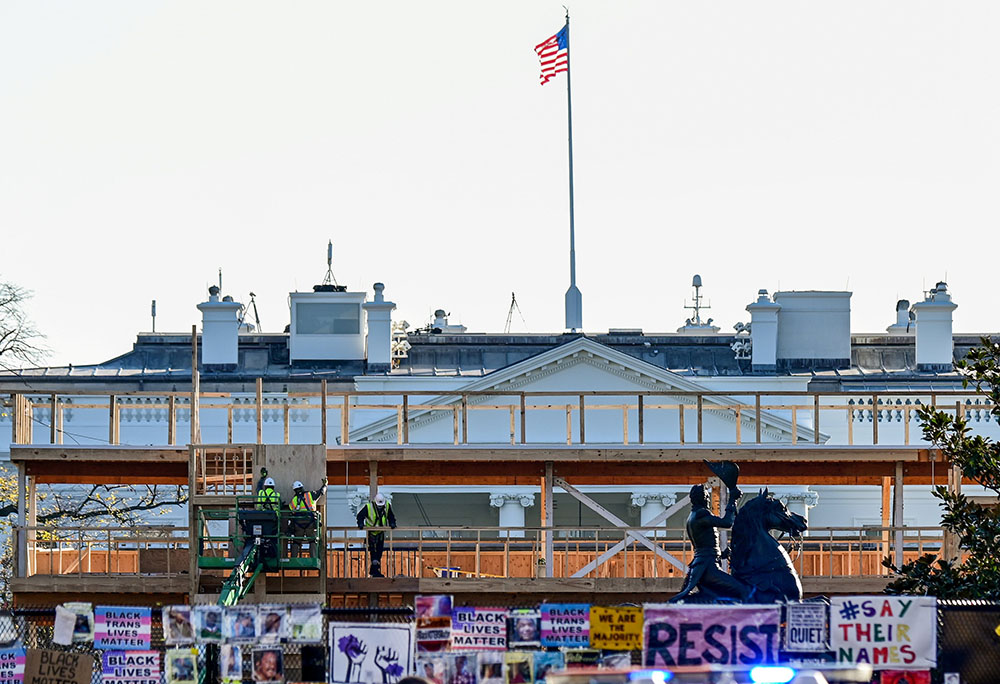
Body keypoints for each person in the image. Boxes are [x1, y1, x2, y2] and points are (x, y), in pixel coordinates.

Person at [669, 479, 753, 602]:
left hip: (704, 564)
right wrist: (733, 499)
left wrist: (721, 554)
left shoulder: (692, 516)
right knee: (743, 590)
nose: (708, 499)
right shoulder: (701, 514)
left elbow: (705, 546)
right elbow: (727, 522)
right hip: (708, 567)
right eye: (707, 496)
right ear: (703, 498)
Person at [356, 491, 396, 577]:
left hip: (381, 532)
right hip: (371, 532)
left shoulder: (387, 506)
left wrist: (392, 523)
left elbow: (391, 516)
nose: (380, 508)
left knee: (379, 552)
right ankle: (374, 571)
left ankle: (374, 571)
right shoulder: (369, 507)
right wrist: (360, 523)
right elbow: (360, 516)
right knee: (373, 552)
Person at [288, 477, 327, 556]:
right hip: (310, 522)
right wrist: (325, 485)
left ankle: (294, 557)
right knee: (312, 540)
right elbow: (321, 492)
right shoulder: (310, 495)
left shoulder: (294, 500)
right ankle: (313, 556)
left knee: (296, 541)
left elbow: (291, 511)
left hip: (298, 523)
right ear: (302, 488)